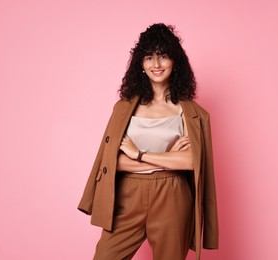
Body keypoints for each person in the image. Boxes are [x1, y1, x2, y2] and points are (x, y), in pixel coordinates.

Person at [78, 23, 218, 260]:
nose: (156, 64)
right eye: (149, 57)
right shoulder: (124, 108)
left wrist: (139, 154)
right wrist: (169, 158)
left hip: (172, 196)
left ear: (175, 62)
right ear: (140, 64)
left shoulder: (192, 112)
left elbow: (192, 161)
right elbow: (115, 162)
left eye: (163, 56)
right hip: (128, 195)